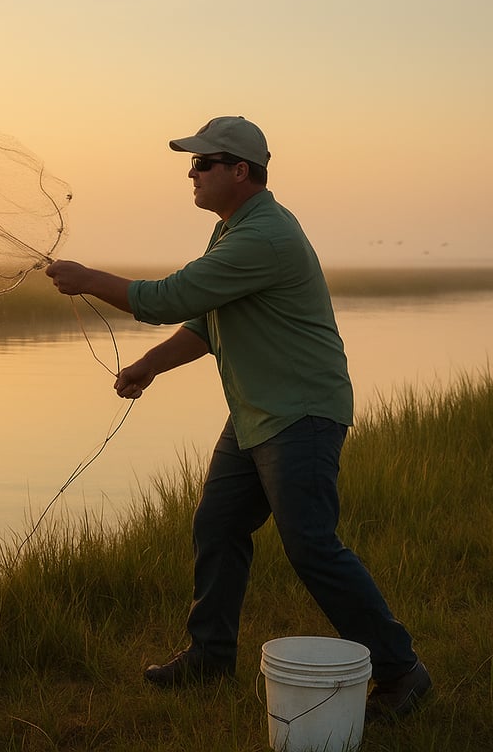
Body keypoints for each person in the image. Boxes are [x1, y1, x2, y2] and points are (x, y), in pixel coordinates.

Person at [45, 116, 431, 719]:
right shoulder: (231, 232)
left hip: (300, 413)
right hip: (257, 414)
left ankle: (401, 670)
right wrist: (150, 365)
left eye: (203, 163)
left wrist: (89, 278)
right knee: (218, 525)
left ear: (240, 171)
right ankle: (210, 657)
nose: (191, 174)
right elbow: (204, 321)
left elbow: (167, 298)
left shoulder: (264, 237)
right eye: (192, 163)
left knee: (311, 545)